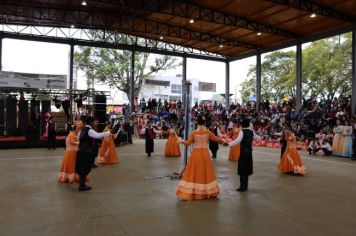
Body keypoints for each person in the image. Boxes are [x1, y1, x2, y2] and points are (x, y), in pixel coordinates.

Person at [176, 115, 227, 200]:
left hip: (196, 154)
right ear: (204, 122)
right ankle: (207, 191)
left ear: (197, 122)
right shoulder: (208, 132)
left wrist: (181, 141)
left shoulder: (194, 133)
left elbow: (188, 143)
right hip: (205, 154)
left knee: (194, 172)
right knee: (205, 172)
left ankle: (194, 191)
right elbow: (215, 138)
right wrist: (224, 141)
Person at [76, 116, 110, 191]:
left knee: (82, 169)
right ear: (91, 122)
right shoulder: (89, 130)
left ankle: (82, 185)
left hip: (80, 151)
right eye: (94, 121)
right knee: (84, 169)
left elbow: (78, 139)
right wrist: (107, 133)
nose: (95, 123)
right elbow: (97, 135)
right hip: (85, 152)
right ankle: (82, 186)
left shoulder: (82, 129)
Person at [229, 118, 261, 192]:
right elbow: (258, 138)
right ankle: (245, 186)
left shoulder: (242, 132)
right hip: (249, 152)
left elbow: (238, 140)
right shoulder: (251, 132)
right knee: (246, 169)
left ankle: (242, 186)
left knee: (242, 169)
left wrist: (229, 144)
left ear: (243, 124)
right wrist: (257, 133)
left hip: (243, 152)